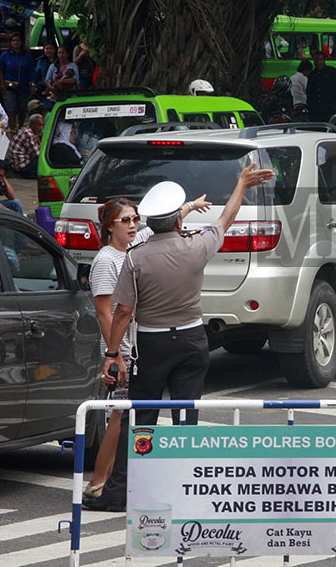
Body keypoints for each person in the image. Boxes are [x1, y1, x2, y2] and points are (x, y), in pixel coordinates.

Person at [82, 164, 276, 513]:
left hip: (152, 345)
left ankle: (119, 492)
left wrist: (112, 353)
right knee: (186, 419)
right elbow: (225, 220)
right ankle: (184, 492)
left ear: (149, 222)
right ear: (177, 222)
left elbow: (122, 312)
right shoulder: (195, 246)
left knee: (140, 421)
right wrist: (241, 184)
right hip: (192, 340)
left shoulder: (135, 258)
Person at [81, 194, 211, 500]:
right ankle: (100, 482)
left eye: (136, 219)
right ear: (109, 226)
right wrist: (117, 355)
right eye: (125, 220)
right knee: (121, 416)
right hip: (121, 348)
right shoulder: (106, 260)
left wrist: (191, 206)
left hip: (135, 345)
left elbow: (164, 221)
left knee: (125, 415)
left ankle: (109, 481)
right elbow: (105, 312)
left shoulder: (135, 246)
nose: (133, 225)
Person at [0, 33, 35, 128]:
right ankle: (12, 128)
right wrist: (2, 83)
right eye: (13, 41)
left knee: (23, 109)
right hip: (9, 85)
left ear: (21, 42)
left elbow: (31, 71)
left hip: (24, 86)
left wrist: (32, 85)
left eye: (18, 41)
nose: (16, 43)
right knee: (11, 108)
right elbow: (0, 70)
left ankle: (21, 128)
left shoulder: (27, 56)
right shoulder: (5, 55)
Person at [305, 51, 336, 123]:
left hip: (329, 105)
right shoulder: (312, 74)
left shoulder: (331, 71)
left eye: (320, 59)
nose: (318, 62)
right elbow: (309, 90)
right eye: (316, 60)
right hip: (315, 106)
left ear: (324, 60)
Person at [6, 113, 44, 179]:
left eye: (43, 125)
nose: (41, 128)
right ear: (32, 124)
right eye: (39, 125)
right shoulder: (28, 134)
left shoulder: (28, 130)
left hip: (18, 162)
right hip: (21, 166)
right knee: (43, 161)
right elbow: (38, 154)